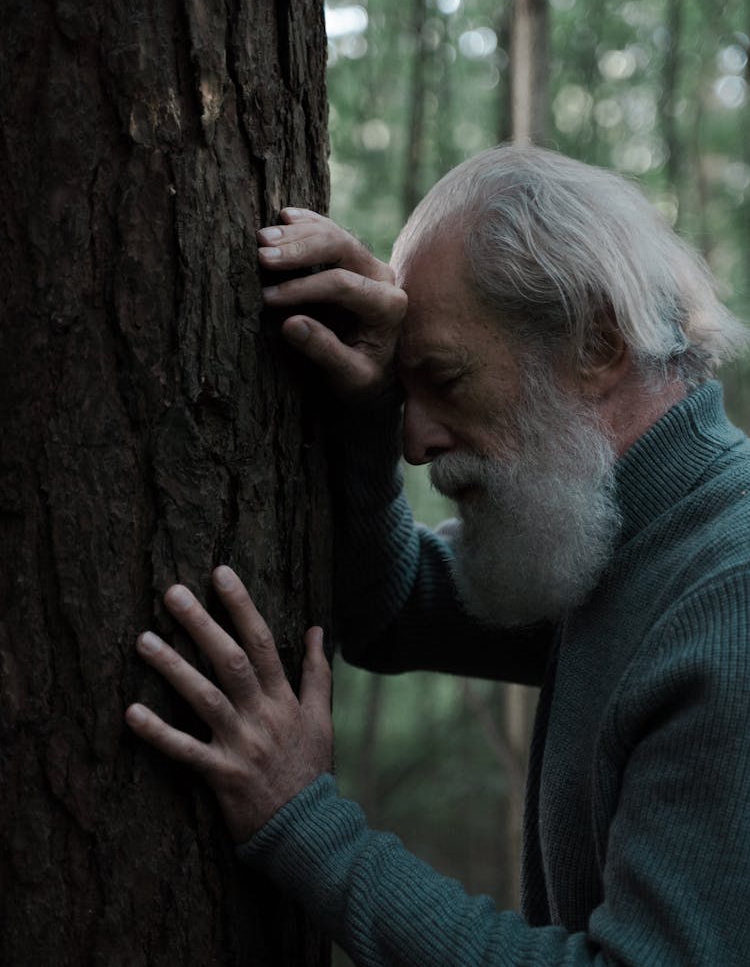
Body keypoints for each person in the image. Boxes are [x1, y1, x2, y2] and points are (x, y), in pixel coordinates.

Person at [126, 145, 750, 965]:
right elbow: (392, 607)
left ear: (595, 341)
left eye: (444, 379)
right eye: (408, 400)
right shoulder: (614, 532)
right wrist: (366, 413)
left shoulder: (726, 596)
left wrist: (304, 823)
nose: (416, 442)